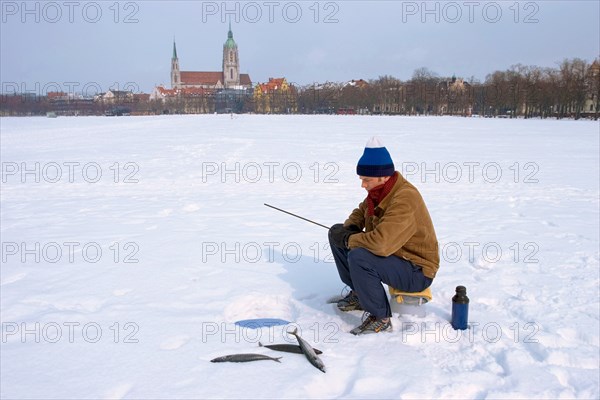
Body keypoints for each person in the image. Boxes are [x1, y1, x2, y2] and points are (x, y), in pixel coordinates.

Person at [328, 137, 439, 335]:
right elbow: (361, 211)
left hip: (416, 270)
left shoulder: (405, 197)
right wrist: (348, 229)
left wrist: (348, 239)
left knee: (358, 255)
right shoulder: (380, 192)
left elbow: (381, 244)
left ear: (383, 176)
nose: (363, 184)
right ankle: (360, 294)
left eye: (366, 180)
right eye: (361, 179)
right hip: (396, 258)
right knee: (337, 234)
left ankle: (381, 317)